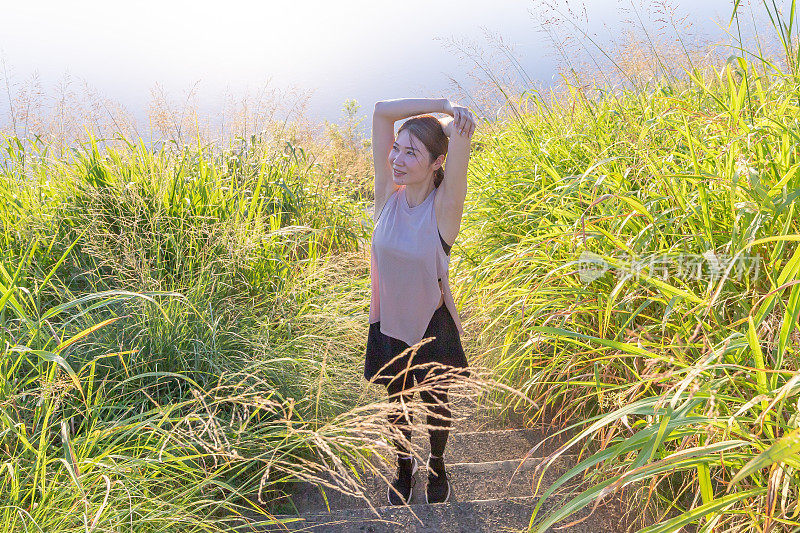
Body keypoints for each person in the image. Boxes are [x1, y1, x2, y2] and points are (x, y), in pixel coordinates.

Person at [365, 97, 476, 506]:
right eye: (397, 147)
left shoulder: (444, 211)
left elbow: (461, 138)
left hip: (432, 325)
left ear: (436, 163)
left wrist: (451, 123)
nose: (396, 158)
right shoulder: (386, 196)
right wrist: (441, 105)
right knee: (395, 403)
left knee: (435, 403)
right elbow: (380, 111)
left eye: (411, 152)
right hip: (389, 321)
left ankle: (437, 464)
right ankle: (403, 467)